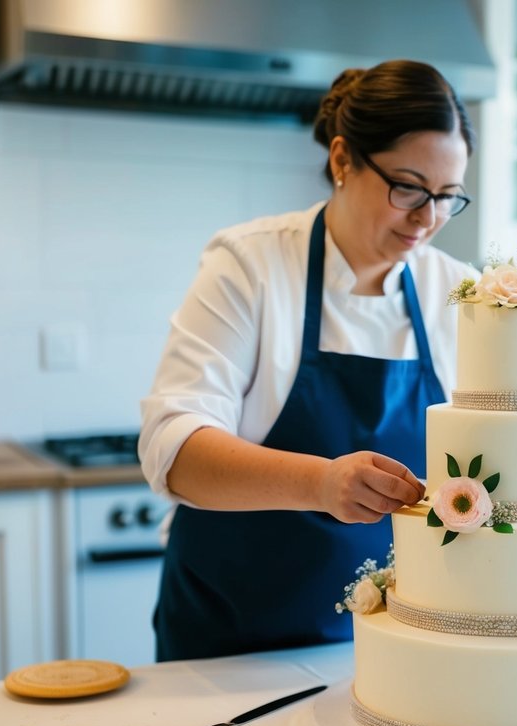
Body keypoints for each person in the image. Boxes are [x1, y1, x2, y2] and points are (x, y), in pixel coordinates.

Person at [139, 60, 477, 661]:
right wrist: (320, 483)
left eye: (447, 197)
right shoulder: (250, 264)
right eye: (408, 188)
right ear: (343, 160)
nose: (427, 218)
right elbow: (175, 451)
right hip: (231, 640)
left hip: (387, 648)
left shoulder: (457, 293)